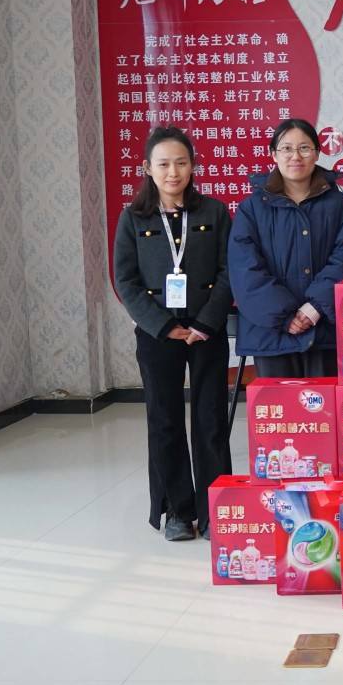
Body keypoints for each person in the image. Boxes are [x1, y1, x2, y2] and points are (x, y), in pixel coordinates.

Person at [113, 127, 232, 541]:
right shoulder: (133, 217)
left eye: (181, 162)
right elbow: (125, 280)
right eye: (163, 164)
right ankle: (178, 511)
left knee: (210, 419)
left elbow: (228, 271)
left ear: (193, 166)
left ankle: (216, 509)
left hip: (206, 331)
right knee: (164, 420)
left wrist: (205, 322)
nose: (173, 171)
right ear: (147, 168)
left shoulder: (214, 212)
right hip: (158, 333)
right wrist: (163, 325)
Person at [229, 118, 343, 377]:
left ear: (317, 153)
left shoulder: (340, 206)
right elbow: (244, 269)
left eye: (304, 148)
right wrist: (285, 315)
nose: (295, 156)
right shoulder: (252, 209)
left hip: (325, 330)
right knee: (279, 404)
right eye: (286, 148)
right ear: (273, 155)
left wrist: (314, 308)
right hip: (270, 334)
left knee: (326, 403)